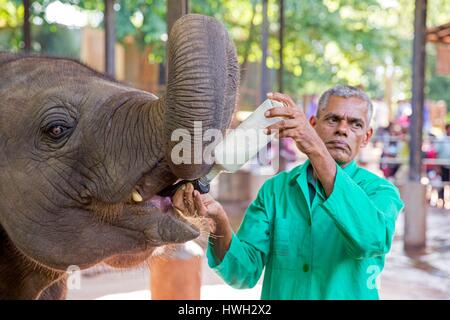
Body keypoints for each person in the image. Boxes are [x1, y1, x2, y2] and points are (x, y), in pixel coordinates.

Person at [173, 85, 404, 300]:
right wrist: (219, 221)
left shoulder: (381, 192)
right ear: (313, 123)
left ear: (366, 137)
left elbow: (371, 240)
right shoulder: (276, 190)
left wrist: (315, 148)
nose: (342, 130)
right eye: (333, 119)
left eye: (355, 124)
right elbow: (243, 273)